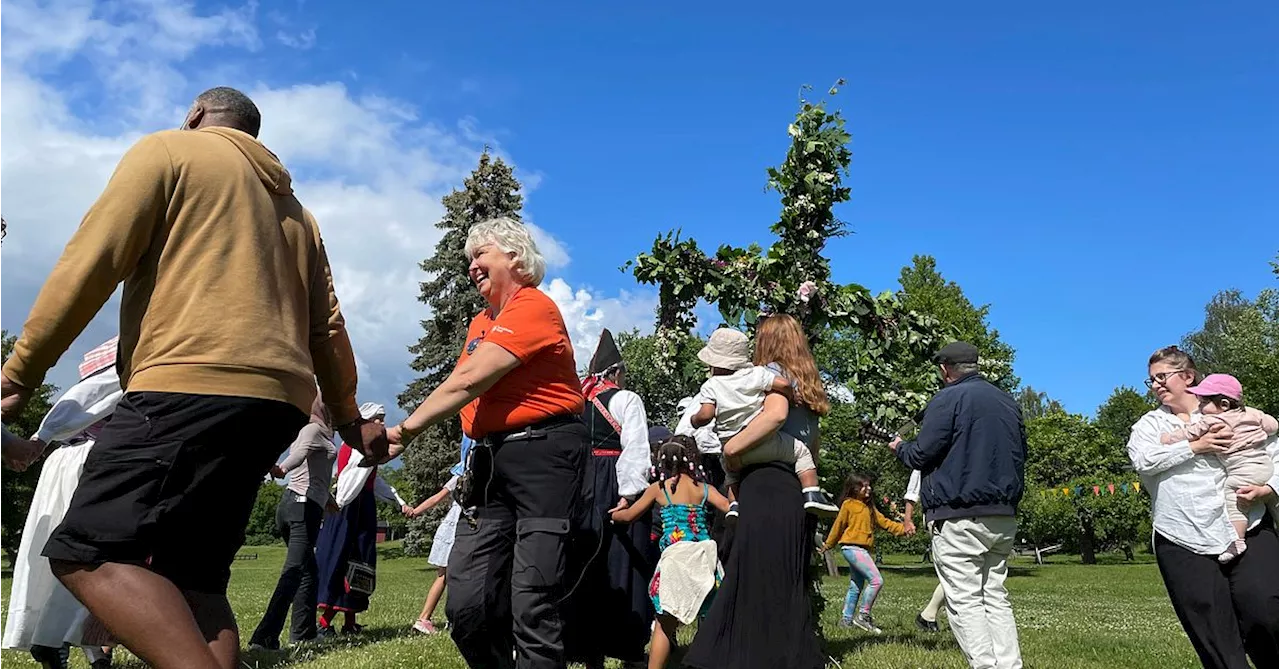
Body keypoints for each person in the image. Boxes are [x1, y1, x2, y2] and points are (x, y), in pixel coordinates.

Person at [0, 86, 386, 669]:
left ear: (196, 116)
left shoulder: (169, 152)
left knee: (87, 552)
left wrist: (18, 375)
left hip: (186, 381)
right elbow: (327, 326)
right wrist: (350, 419)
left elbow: (91, 261)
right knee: (194, 578)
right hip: (277, 402)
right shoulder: (298, 213)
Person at [384, 216, 588, 669]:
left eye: (481, 254)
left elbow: (471, 380)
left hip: (545, 455)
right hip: (491, 460)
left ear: (514, 257)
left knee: (533, 598)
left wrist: (404, 432)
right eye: (468, 259)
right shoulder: (481, 322)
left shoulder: (534, 306)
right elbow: (462, 384)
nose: (472, 266)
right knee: (468, 603)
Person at [1128, 346, 1280, 669]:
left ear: (1188, 376)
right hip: (1183, 537)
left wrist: (1268, 489)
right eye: (1150, 380)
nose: (1155, 385)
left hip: (1247, 525)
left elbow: (1275, 451)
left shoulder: (1225, 408)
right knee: (1217, 643)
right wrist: (1194, 447)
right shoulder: (1150, 426)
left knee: (1267, 612)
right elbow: (1143, 458)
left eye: (1162, 377)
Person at [684, 328, 825, 669]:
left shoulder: (767, 376)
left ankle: (742, 653)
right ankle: (783, 654)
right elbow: (809, 446)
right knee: (785, 579)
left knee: (752, 576)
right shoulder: (797, 385)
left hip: (762, 484)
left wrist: (732, 447)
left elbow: (773, 416)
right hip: (789, 482)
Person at [890, 341, 1026, 669]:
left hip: (958, 513)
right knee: (994, 595)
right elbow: (1022, 453)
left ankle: (985, 665)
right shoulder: (1008, 402)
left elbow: (922, 454)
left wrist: (898, 446)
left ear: (945, 369)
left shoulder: (947, 398)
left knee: (965, 599)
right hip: (1003, 514)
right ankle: (1009, 665)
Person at [3, 339, 123, 669]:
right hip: (97, 459)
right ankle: (54, 637)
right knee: (97, 559)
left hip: (68, 460)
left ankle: (93, 652)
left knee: (62, 555)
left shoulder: (105, 355)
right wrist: (42, 437)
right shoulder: (134, 348)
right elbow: (94, 394)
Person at [567, 329, 657, 669]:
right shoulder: (626, 399)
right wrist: (629, 494)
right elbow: (635, 448)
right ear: (615, 372)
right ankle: (627, 646)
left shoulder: (576, 400)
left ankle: (586, 648)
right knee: (624, 563)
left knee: (583, 560)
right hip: (613, 478)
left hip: (580, 483)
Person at [610, 436, 730, 669]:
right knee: (709, 616)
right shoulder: (704, 489)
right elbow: (728, 507)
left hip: (676, 559)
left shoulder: (658, 489)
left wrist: (614, 515)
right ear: (691, 461)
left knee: (665, 622)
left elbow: (630, 515)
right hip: (705, 557)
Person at [687, 327, 836, 515]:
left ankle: (734, 506)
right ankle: (812, 494)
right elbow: (783, 385)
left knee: (732, 477)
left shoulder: (710, 386)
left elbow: (706, 415)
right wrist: (790, 395)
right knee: (801, 453)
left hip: (730, 448)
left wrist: (695, 420)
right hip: (760, 442)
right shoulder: (756, 374)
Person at [247, 395, 338, 650]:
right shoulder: (311, 429)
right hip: (301, 506)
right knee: (295, 572)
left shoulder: (320, 431)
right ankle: (263, 637)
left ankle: (304, 633)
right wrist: (282, 469)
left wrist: (327, 498)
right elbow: (299, 454)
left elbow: (314, 470)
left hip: (299, 504)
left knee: (308, 572)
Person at [1157, 373, 1278, 563]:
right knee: (1275, 505)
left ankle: (1237, 541)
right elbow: (1272, 426)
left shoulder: (1213, 420)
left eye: (1204, 402)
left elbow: (1189, 433)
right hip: (1264, 465)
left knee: (1235, 499)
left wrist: (1167, 438)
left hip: (1242, 471)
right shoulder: (1252, 413)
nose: (1200, 407)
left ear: (1223, 405)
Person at [315, 403, 411, 636]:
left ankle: (349, 622)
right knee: (343, 559)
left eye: (383, 419)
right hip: (349, 507)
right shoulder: (360, 446)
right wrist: (341, 503)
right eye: (378, 419)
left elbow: (373, 480)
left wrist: (398, 501)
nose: (381, 424)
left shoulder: (369, 449)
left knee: (361, 561)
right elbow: (351, 477)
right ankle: (324, 623)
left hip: (361, 505)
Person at [823, 472, 905, 634]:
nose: (868, 488)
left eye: (869, 485)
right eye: (864, 486)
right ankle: (863, 616)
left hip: (861, 550)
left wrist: (904, 530)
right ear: (854, 488)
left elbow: (885, 523)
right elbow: (838, 526)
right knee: (876, 580)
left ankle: (846, 620)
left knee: (856, 585)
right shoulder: (848, 504)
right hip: (851, 548)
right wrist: (828, 544)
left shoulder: (869, 508)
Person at [412, 435, 474, 635]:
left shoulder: (457, 478)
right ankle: (436, 618)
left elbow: (436, 498)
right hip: (460, 527)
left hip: (449, 528)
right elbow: (437, 497)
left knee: (443, 576)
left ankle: (427, 618)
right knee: (456, 576)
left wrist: (416, 511)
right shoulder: (467, 477)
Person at [905, 468, 947, 634]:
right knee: (956, 572)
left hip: (966, 515)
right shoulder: (928, 453)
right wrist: (907, 519)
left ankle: (928, 615)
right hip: (940, 518)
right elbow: (912, 491)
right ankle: (929, 615)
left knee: (967, 572)